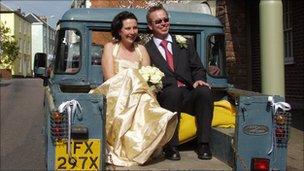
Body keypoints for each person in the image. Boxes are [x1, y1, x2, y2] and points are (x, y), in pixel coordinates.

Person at [89, 11, 177, 167]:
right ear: (119, 30)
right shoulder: (110, 47)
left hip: (139, 96)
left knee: (146, 99)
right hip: (116, 96)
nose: (132, 32)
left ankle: (153, 135)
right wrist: (131, 82)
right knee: (132, 79)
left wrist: (147, 85)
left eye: (135, 28)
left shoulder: (141, 50)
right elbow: (110, 79)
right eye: (128, 28)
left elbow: (146, 77)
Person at [145, 5, 214, 160]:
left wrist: (199, 80)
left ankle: (204, 144)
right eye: (158, 21)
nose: (163, 23)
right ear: (150, 26)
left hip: (188, 94)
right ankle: (171, 146)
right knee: (173, 92)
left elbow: (198, 68)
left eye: (166, 20)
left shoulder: (185, 43)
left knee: (204, 92)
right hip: (166, 97)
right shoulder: (147, 49)